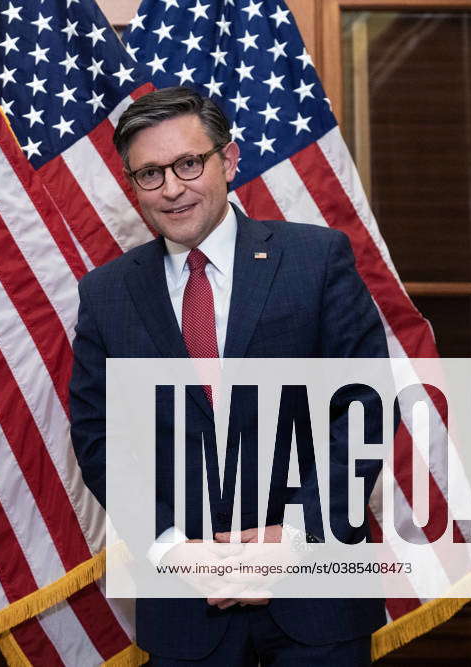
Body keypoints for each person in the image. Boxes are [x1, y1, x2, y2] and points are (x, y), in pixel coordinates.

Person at [68, 86, 386, 665]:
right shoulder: (107, 293)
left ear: (229, 159)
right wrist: (169, 549)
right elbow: (99, 437)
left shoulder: (316, 259)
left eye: (189, 163)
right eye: (149, 173)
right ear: (132, 185)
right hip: (188, 607)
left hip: (316, 596)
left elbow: (363, 408)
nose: (172, 188)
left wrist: (294, 539)